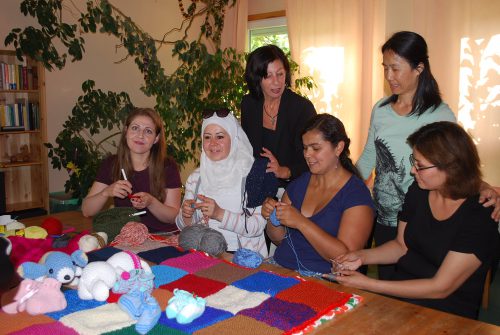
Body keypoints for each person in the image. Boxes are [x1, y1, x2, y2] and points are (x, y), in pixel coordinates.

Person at [356, 31, 499, 280]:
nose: (389, 76)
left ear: (419, 68)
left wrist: (484, 186)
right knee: (387, 287)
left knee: (414, 287)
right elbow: (370, 154)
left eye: (396, 68)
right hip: (383, 213)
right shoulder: (380, 109)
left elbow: (457, 164)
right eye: (385, 68)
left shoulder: (440, 115)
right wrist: (346, 189)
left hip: (419, 221)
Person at [334, 121, 500, 319]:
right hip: (400, 297)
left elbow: (441, 287)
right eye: (414, 161)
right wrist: (361, 256)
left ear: (451, 167)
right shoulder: (419, 191)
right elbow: (400, 246)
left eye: (420, 166)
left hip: (447, 313)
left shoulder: (479, 214)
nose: (413, 171)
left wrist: (368, 284)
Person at [261, 114, 374, 274]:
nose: (307, 154)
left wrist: (302, 222)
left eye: (316, 148)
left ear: (338, 148)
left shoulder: (356, 195)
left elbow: (346, 258)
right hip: (282, 268)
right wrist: (272, 218)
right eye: (305, 148)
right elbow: (279, 239)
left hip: (326, 279)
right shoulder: (299, 185)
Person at [175, 109, 268, 257]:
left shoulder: (253, 175)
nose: (213, 144)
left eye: (220, 136)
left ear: (233, 138)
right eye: (207, 137)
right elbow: (184, 228)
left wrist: (219, 213)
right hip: (206, 255)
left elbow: (256, 227)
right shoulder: (196, 178)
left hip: (245, 258)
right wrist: (186, 215)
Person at [82, 107, 182, 232]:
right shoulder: (111, 164)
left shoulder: (167, 166)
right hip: (127, 237)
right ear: (126, 131)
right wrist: (106, 192)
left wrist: (151, 202)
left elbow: (173, 217)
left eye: (148, 131)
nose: (140, 135)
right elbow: (87, 211)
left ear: (156, 138)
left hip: (163, 236)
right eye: (135, 128)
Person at [241, 45, 317, 188]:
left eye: (280, 74)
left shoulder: (302, 108)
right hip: (256, 187)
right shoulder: (248, 104)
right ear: (257, 78)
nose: (276, 82)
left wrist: (284, 171)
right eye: (268, 76)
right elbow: (245, 150)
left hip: (294, 188)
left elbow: (313, 157)